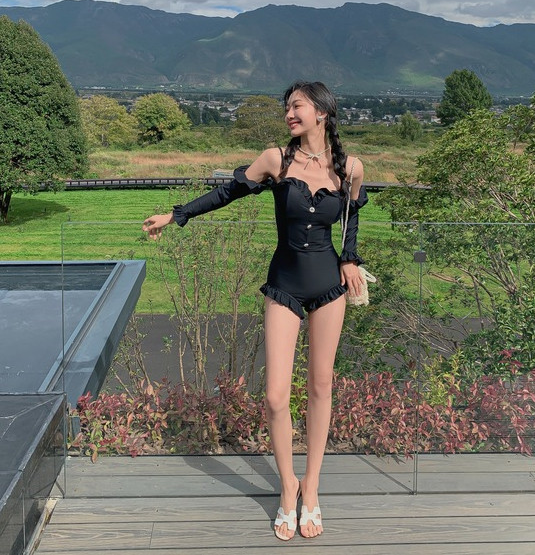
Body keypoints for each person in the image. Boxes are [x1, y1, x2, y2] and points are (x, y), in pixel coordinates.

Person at [142, 80, 367, 541]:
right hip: (283, 285)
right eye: (287, 107)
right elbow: (226, 193)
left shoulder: (350, 167)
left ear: (322, 112)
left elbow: (352, 217)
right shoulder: (275, 160)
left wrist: (349, 258)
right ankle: (288, 486)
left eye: (297, 106)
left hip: (329, 287)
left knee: (321, 386)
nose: (289, 113)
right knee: (276, 397)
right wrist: (177, 215)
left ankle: (311, 488)